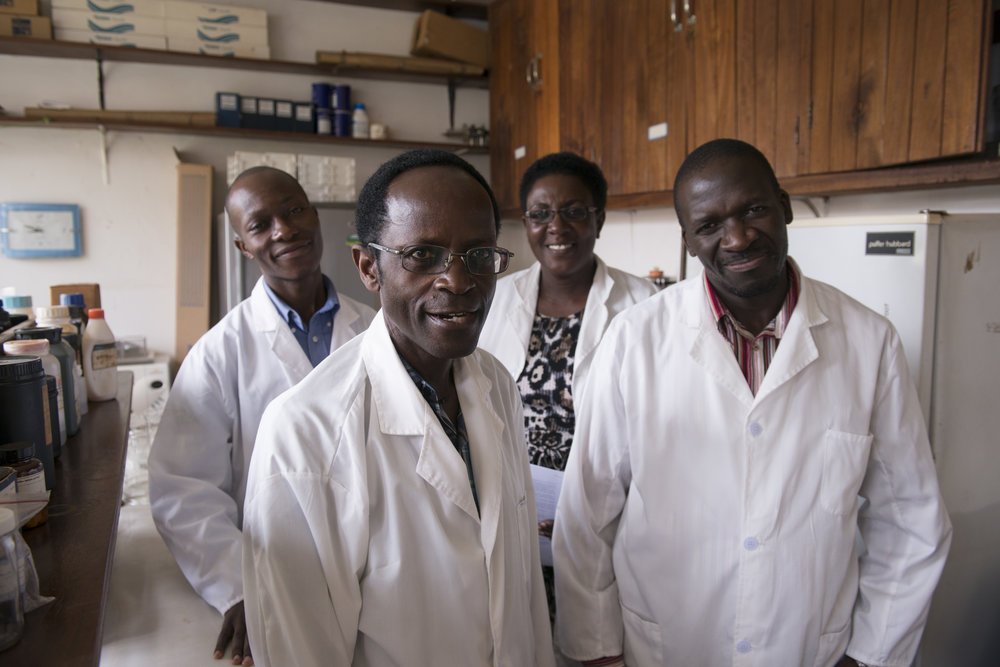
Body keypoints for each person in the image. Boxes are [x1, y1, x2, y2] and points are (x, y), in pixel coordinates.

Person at [553, 139, 952, 667]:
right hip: (667, 645)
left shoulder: (869, 341)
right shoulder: (634, 341)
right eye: (710, 225)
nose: (737, 237)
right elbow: (586, 515)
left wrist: (871, 655)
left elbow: (910, 520)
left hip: (808, 648)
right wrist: (598, 652)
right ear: (689, 240)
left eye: (754, 210)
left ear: (784, 206)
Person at [242, 149, 556, 667]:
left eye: (479, 256)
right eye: (422, 256)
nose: (457, 282)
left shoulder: (496, 382)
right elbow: (301, 650)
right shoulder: (305, 434)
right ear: (369, 267)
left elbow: (520, 589)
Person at [148, 166, 376, 666]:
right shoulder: (218, 353)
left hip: (379, 566)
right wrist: (236, 588)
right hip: (276, 572)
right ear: (243, 247)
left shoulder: (377, 329)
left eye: (294, 210)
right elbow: (183, 488)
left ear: (315, 216)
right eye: (260, 224)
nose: (284, 230)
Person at [478, 152, 656, 620]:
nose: (556, 227)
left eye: (574, 211)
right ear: (526, 222)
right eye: (540, 214)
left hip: (606, 525)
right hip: (510, 523)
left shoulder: (644, 305)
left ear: (599, 217)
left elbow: (657, 428)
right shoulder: (495, 298)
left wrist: (592, 517)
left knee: (595, 642)